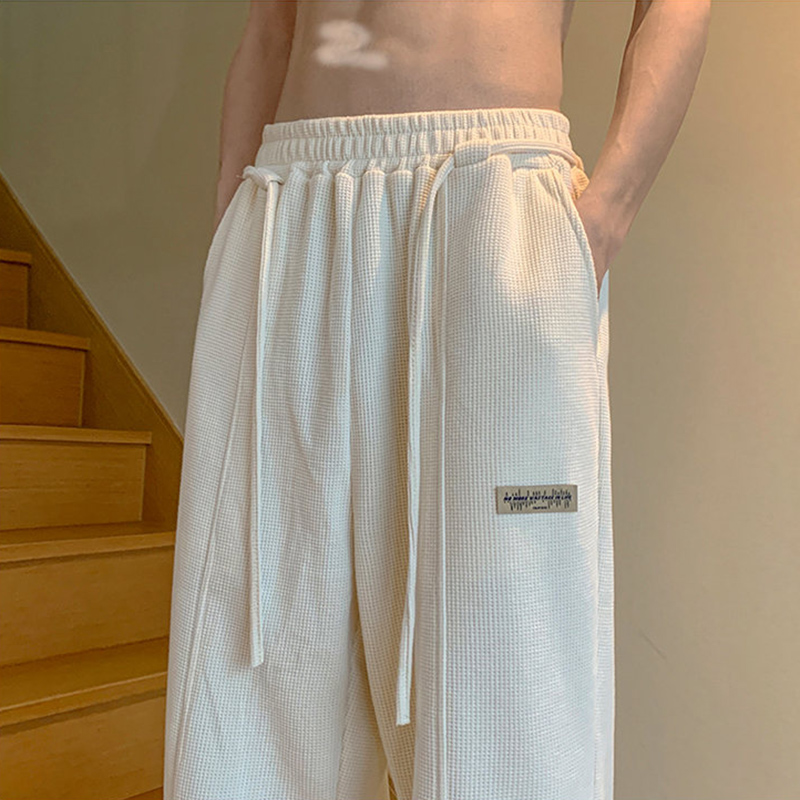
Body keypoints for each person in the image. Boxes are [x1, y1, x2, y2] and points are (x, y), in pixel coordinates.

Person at [163, 2, 711, 799]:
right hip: (289, 205)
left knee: (508, 677)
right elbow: (272, 25)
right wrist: (231, 229)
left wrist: (608, 214)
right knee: (254, 656)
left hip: (492, 202)